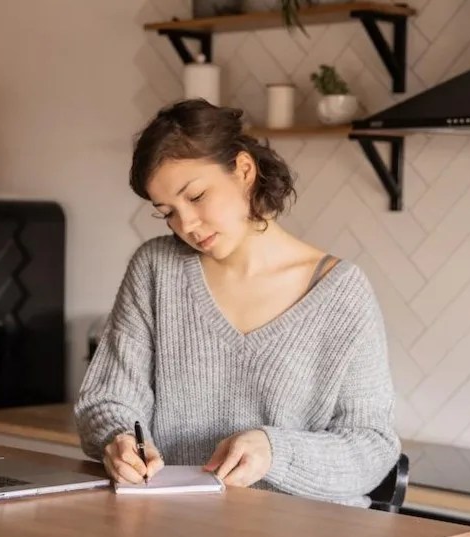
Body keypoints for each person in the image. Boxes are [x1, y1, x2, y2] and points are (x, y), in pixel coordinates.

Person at [74, 99, 400, 507]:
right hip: (173, 535)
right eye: (168, 212)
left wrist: (275, 451)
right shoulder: (156, 269)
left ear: (244, 171)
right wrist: (118, 439)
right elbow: (106, 400)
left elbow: (373, 448)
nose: (186, 225)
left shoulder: (341, 293)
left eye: (196, 196)